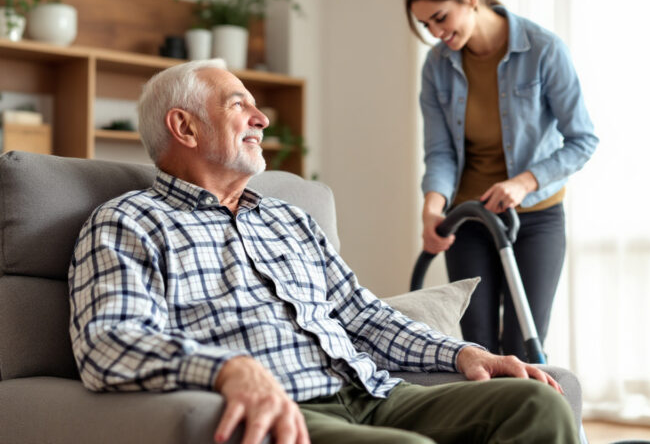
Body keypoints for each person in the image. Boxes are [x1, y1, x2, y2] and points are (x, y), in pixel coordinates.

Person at [68, 59, 578, 444]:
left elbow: (363, 316)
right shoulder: (128, 223)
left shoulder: (289, 218)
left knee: (538, 404)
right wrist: (226, 369)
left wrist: (466, 353)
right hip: (286, 409)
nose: (262, 119)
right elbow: (106, 343)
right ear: (185, 128)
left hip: (375, 394)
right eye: (238, 105)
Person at [404, 0, 598, 357]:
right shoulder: (437, 66)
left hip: (537, 219)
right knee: (476, 346)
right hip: (469, 218)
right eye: (426, 26)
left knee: (523, 345)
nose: (436, 33)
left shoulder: (543, 50)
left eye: (440, 18)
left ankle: (525, 418)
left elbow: (583, 139)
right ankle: (481, 423)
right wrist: (432, 208)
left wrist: (525, 182)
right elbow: (440, 152)